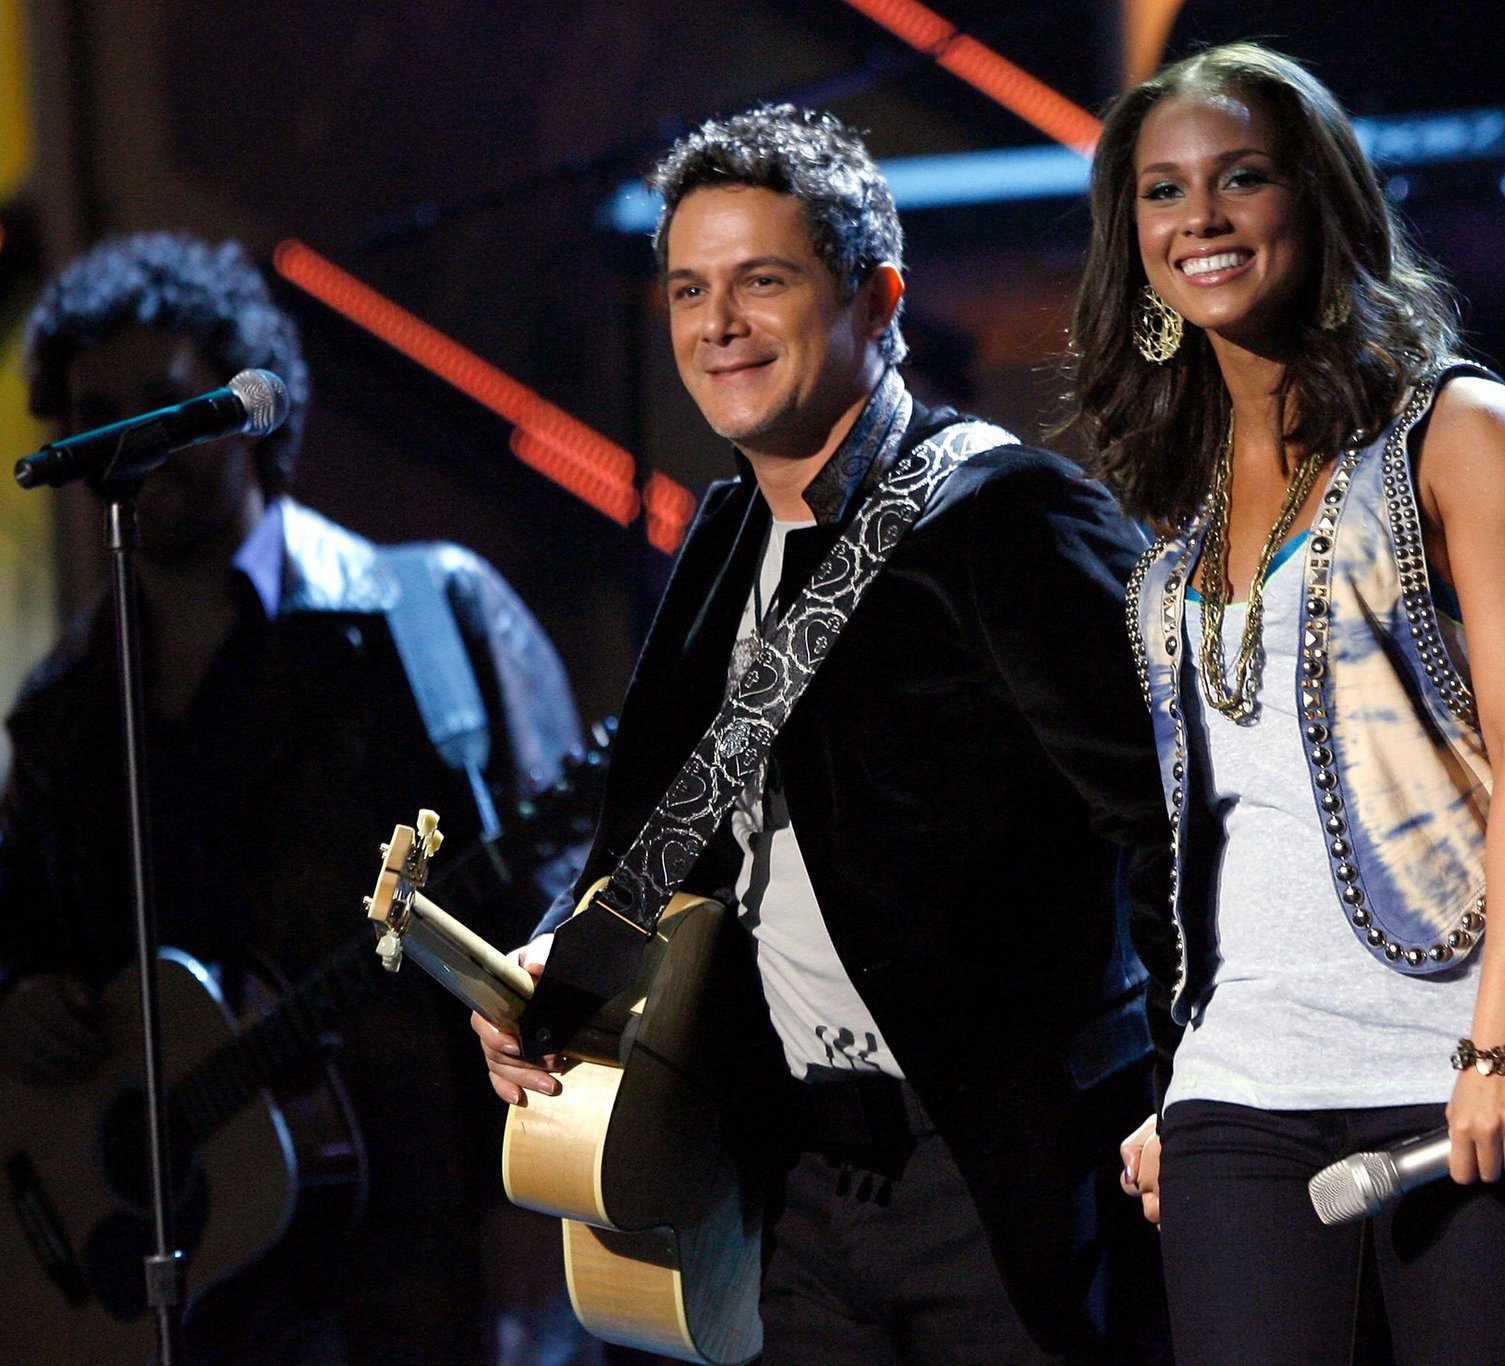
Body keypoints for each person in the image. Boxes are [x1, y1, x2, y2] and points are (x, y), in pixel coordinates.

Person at [475, 105, 1173, 1363]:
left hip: (1006, 1185)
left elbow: (1175, 814)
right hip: (799, 1187)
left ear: (877, 298)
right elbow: (662, 837)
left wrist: (1190, 1086)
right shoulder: (725, 532)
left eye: (764, 281)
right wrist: (552, 975)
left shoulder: (1009, 519)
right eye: (690, 288)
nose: (717, 324)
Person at [1065, 43, 1505, 1365]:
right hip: (1243, 1098)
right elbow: (1229, 829)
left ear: (1318, 205)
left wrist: (1501, 1040)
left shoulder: (1461, 431)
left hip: (1473, 1074)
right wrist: (1192, 1077)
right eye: (1161, 192)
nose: (1197, 217)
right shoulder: (1180, 517)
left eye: (1241, 178)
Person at [0, 231, 583, 1361]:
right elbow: (22, 929)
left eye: (167, 406)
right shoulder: (64, 709)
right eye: (96, 411)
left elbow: (560, 931)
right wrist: (21, 991)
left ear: (250, 411)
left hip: (420, 1252)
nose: (130, 444)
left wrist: (533, 1205)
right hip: (177, 1276)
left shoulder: (427, 616)